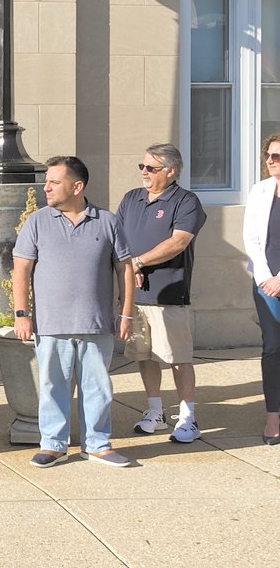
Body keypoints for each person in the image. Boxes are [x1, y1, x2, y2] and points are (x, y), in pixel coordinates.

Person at [13, 156, 134, 467]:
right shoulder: (37, 221)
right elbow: (21, 270)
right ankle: (53, 444)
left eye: (54, 181)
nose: (47, 187)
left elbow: (125, 269)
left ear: (76, 186)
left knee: (98, 386)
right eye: (47, 181)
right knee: (53, 386)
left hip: (96, 323)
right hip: (51, 324)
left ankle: (97, 443)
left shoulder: (108, 221)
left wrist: (126, 313)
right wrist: (21, 314)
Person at [116, 144, 206, 444]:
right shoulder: (131, 198)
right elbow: (118, 238)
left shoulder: (185, 201)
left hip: (169, 294)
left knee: (177, 357)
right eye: (141, 167)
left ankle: (188, 417)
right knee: (144, 355)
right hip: (135, 294)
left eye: (151, 168)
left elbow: (178, 242)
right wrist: (128, 266)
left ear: (171, 171)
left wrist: (139, 261)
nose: (144, 172)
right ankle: (154, 411)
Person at [243, 132, 280, 446]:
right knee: (272, 347)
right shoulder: (260, 190)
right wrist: (268, 278)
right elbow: (251, 238)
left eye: (277, 156)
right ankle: (273, 416)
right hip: (267, 284)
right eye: (268, 155)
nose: (270, 161)